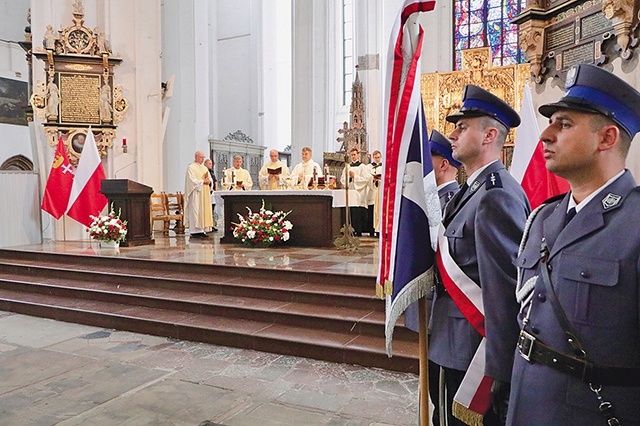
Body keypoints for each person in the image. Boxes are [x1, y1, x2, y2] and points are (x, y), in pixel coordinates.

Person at [507, 64, 640, 425]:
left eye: (563, 124)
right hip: (524, 404)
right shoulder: (542, 219)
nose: (546, 135)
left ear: (607, 138)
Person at [429, 84, 530, 425]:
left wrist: (502, 371)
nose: (452, 134)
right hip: (452, 340)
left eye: (462, 127)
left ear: (489, 135)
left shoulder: (495, 196)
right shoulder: (471, 191)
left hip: (473, 353)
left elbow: (507, 292)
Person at [404, 129, 460, 425]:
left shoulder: (449, 201)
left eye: (428, 159)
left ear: (442, 164)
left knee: (442, 395)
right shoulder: (431, 200)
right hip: (432, 309)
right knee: (435, 390)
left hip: (442, 309)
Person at [184, 151, 214, 239]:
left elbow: (210, 179)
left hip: (204, 193)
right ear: (196, 157)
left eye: (203, 157)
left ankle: (202, 230)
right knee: (196, 210)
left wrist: (209, 182)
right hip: (196, 193)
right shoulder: (191, 167)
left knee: (203, 211)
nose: (202, 159)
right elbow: (191, 180)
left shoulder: (204, 168)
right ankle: (194, 231)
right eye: (201, 157)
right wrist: (202, 182)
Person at [340, 147, 369, 236]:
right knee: (351, 210)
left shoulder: (362, 166)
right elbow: (342, 179)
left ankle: (359, 230)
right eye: (351, 155)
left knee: (358, 210)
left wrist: (354, 177)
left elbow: (365, 179)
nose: (353, 156)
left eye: (354, 155)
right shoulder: (347, 167)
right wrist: (349, 178)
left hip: (359, 191)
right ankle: (350, 230)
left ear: (358, 155)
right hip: (351, 189)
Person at [365, 150, 383, 237]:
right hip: (372, 191)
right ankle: (372, 230)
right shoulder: (368, 167)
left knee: (380, 209)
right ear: (373, 158)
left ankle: (380, 229)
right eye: (375, 157)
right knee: (372, 211)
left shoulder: (384, 166)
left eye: (378, 157)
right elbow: (366, 177)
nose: (377, 159)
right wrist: (372, 179)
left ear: (381, 157)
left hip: (380, 190)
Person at [204, 158, 218, 232]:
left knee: (212, 209)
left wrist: (215, 189)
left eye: (211, 164)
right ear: (205, 164)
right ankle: (208, 225)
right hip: (207, 193)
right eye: (209, 164)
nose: (211, 165)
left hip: (212, 193)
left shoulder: (211, 172)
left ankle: (212, 224)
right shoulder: (204, 171)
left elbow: (214, 181)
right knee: (208, 209)